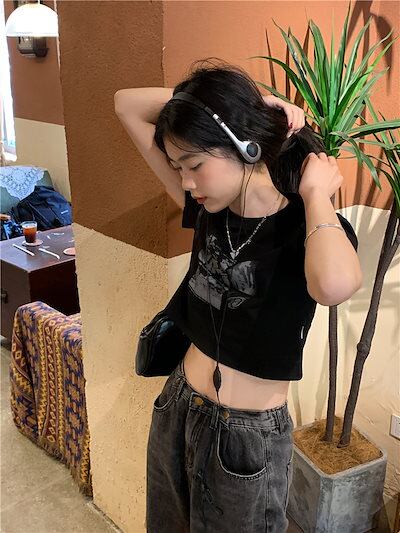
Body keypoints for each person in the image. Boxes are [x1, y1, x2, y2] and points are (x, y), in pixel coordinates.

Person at [114, 58, 362, 533]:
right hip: (179, 404)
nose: (185, 182)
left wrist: (316, 195)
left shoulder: (306, 225)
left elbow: (333, 287)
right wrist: (254, 106)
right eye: (178, 167)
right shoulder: (209, 207)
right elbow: (126, 105)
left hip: (246, 438)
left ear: (246, 148)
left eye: (195, 165)